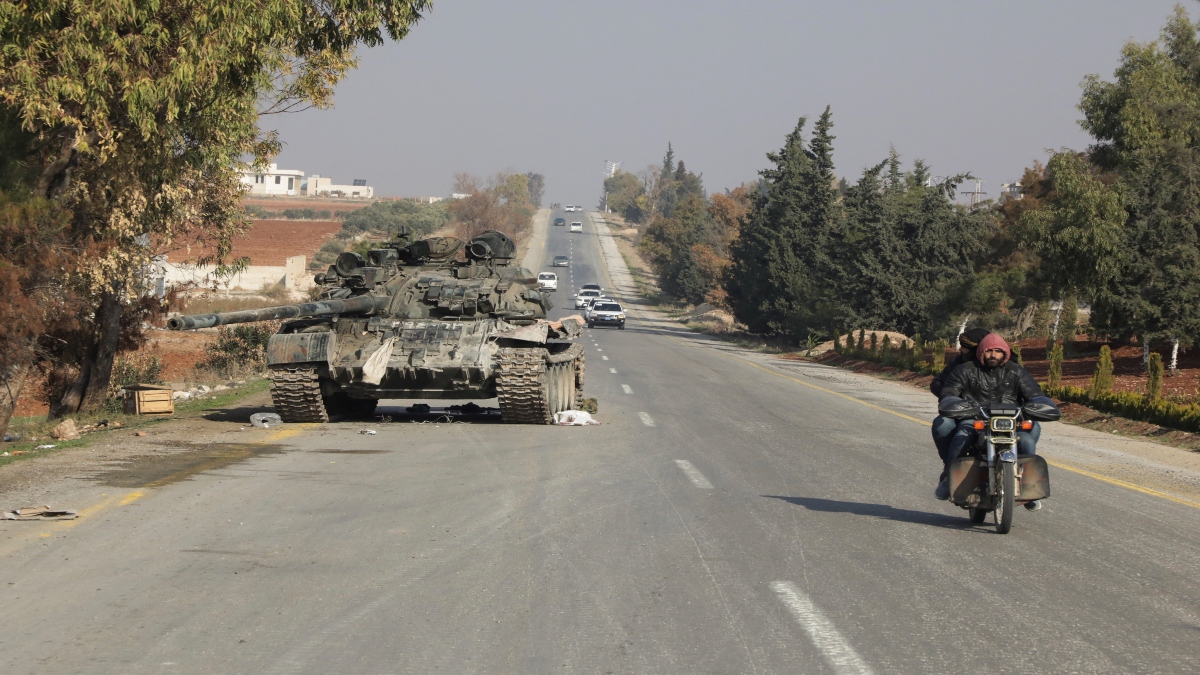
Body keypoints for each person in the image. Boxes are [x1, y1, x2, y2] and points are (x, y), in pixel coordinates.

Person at [935, 333, 1048, 510]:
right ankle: (949, 476)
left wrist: (1040, 404)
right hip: (975, 419)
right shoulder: (965, 370)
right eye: (989, 351)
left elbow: (1035, 394)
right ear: (981, 352)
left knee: (1026, 440)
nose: (993, 355)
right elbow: (949, 393)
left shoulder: (1016, 371)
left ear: (1005, 353)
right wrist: (957, 404)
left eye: (998, 351)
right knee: (961, 437)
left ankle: (1027, 487)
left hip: (1009, 421)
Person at [930, 327, 991, 469]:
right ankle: (950, 469)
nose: (960, 350)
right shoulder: (959, 363)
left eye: (965, 347)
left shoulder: (1009, 366)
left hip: (998, 414)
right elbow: (937, 384)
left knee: (1030, 433)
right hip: (962, 412)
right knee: (943, 424)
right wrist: (953, 398)